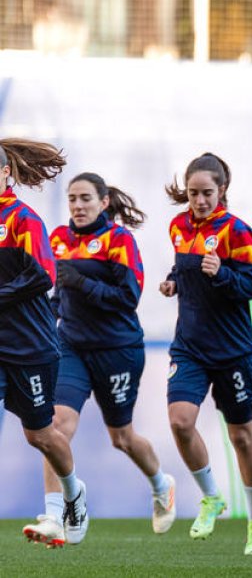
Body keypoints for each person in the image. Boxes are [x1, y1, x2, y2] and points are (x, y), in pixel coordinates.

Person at [25, 174, 174, 546]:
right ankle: (56, 514)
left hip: (117, 351)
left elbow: (128, 298)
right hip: (71, 346)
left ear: (104, 202)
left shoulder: (119, 240)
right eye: (72, 199)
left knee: (122, 438)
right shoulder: (59, 239)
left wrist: (80, 282)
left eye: (86, 198)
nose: (78, 205)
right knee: (55, 424)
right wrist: (45, 317)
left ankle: (161, 485)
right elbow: (59, 296)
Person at [159, 152, 252, 555]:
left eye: (207, 192)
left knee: (241, 435)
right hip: (189, 346)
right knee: (180, 422)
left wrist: (223, 273)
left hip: (233, 350)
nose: (200, 200)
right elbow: (185, 268)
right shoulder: (177, 226)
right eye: (193, 193)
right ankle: (211, 497)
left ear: (222, 190)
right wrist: (173, 281)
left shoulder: (236, 231)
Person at [0, 140, 88, 547]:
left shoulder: (22, 219)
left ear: (6, 173)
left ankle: (72, 495)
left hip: (31, 346)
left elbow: (43, 275)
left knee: (40, 435)